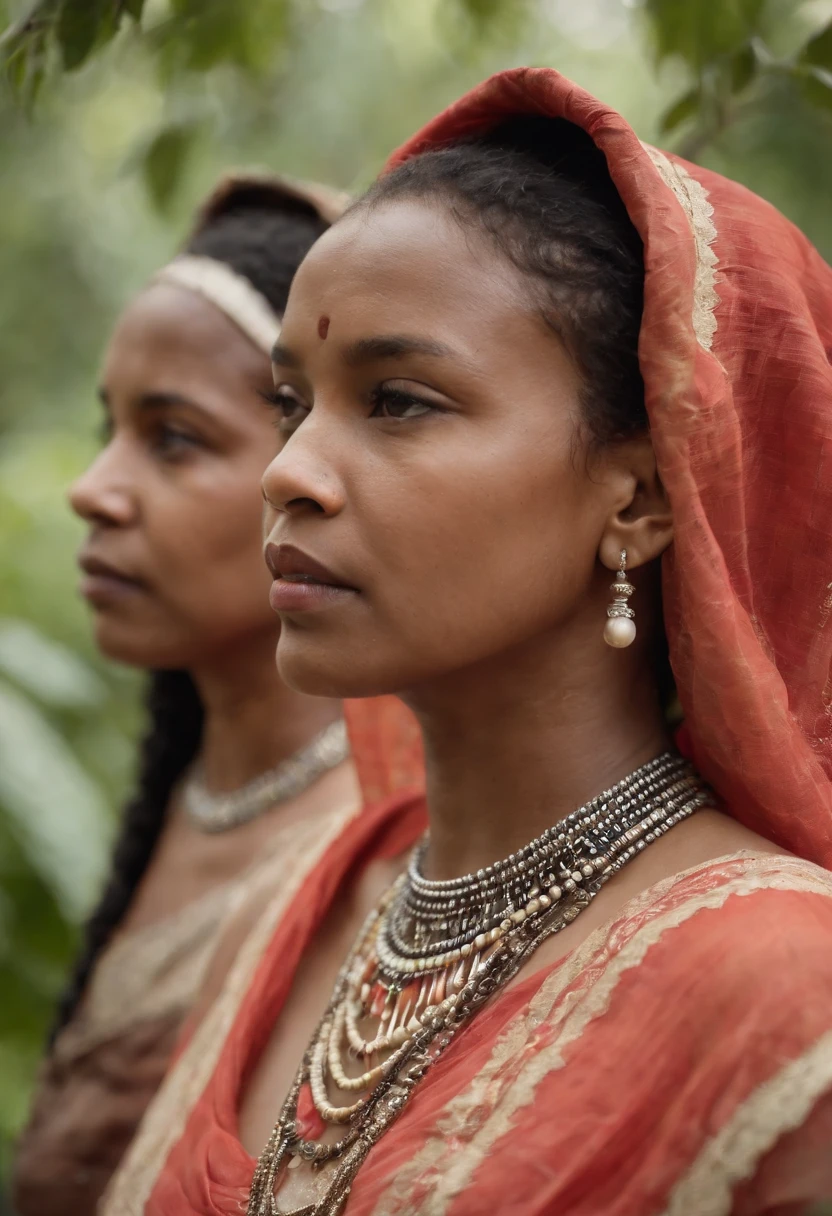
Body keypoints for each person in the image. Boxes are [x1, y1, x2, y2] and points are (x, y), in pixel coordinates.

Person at [104, 68, 832, 1216]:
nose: (288, 471)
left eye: (397, 400)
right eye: (291, 404)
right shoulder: (302, 905)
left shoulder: (778, 990)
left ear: (638, 498)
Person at [11, 173, 422, 1216]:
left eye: (173, 437)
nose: (93, 489)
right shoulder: (189, 789)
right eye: (109, 425)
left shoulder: (385, 855)